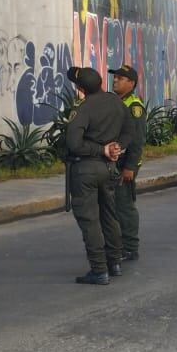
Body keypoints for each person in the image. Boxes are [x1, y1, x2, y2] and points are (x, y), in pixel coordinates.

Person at [64, 67, 134, 285]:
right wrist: (117, 148)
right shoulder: (116, 102)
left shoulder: (83, 108)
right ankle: (115, 262)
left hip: (86, 170)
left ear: (81, 89)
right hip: (109, 170)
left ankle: (99, 269)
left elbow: (74, 144)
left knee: (89, 220)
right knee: (109, 215)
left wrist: (101, 150)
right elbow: (130, 131)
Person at [110, 64, 145, 262]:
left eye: (121, 78)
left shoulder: (134, 107)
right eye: (115, 77)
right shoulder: (116, 101)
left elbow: (137, 140)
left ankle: (131, 247)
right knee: (114, 205)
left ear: (131, 84)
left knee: (124, 205)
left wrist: (129, 168)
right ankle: (118, 244)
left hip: (126, 164)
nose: (115, 80)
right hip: (114, 161)